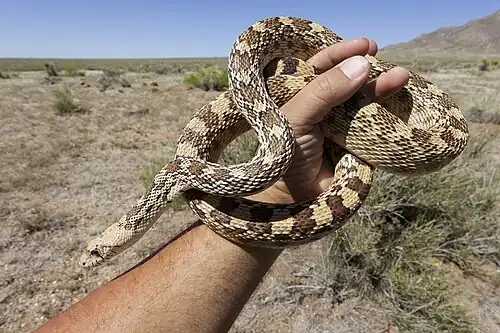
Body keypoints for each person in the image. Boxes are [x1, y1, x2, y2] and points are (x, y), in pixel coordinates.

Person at [34, 38, 409, 333]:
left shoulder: (180, 173)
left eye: (99, 252)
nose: (96, 259)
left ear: (123, 233)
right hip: (287, 166)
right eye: (99, 253)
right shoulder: (181, 174)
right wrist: (295, 182)